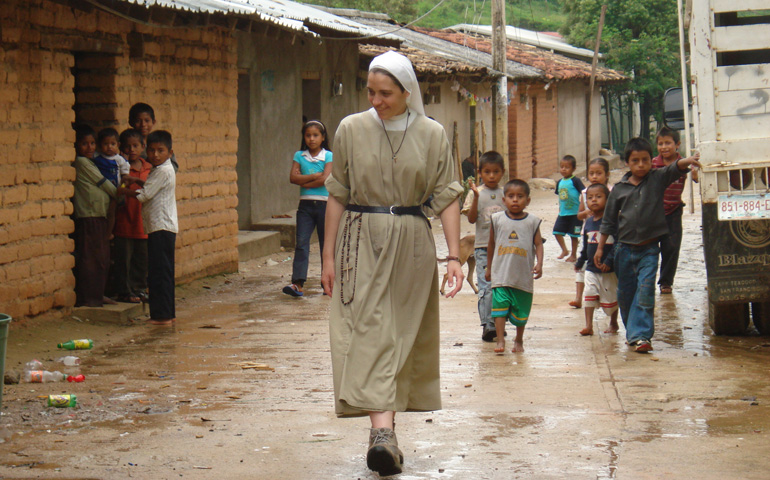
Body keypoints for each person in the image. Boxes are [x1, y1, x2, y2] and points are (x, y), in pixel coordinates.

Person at [320, 51, 464, 477]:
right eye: (371, 92)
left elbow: (447, 196)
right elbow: (337, 193)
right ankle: (381, 434)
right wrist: (326, 256)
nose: (377, 100)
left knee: (399, 333)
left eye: (386, 93)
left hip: (412, 241)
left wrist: (454, 256)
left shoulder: (432, 134)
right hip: (359, 239)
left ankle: (387, 430)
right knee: (367, 330)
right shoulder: (351, 128)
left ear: (407, 92)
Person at [595, 137, 701, 353]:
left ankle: (641, 336)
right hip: (623, 250)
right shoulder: (619, 189)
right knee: (625, 294)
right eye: (636, 161)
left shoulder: (657, 178)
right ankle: (632, 332)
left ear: (652, 161)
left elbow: (674, 168)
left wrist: (689, 160)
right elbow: (608, 221)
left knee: (645, 292)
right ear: (627, 163)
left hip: (650, 250)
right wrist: (600, 247)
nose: (641, 165)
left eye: (645, 160)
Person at [124, 130, 178, 325]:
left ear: (170, 153)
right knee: (162, 272)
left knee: (159, 273)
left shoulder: (162, 170)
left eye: (160, 151)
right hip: (162, 227)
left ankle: (162, 317)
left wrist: (121, 191)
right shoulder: (162, 169)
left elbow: (144, 196)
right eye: (152, 150)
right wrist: (137, 181)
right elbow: (151, 187)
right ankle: (166, 314)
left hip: (160, 228)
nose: (155, 154)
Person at [71, 125, 129, 307]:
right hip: (89, 214)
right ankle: (89, 297)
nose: (89, 148)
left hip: (99, 214)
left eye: (92, 143)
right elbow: (103, 183)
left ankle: (98, 293)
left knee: (102, 257)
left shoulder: (94, 162)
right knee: (91, 257)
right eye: (84, 144)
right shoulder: (82, 163)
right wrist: (120, 193)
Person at [485, 179, 544, 354]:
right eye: (511, 196)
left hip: (522, 277)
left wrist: (539, 263)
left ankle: (518, 339)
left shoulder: (533, 222)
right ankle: (501, 340)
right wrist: (489, 268)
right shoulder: (497, 220)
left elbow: (539, 244)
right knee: (499, 309)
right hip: (501, 274)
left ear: (528, 200)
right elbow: (491, 245)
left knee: (521, 313)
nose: (515, 200)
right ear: (504, 200)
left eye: (520, 196)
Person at [282, 120, 333, 297]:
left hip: (325, 205)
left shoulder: (328, 156)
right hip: (305, 206)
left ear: (323, 137)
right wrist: (315, 175)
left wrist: (305, 178)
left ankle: (327, 283)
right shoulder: (299, 155)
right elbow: (292, 178)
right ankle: (297, 283)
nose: (312, 139)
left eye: (316, 135)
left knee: (326, 244)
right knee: (301, 244)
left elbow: (325, 180)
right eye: (308, 135)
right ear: (304, 137)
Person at [461, 151, 505, 341]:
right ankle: (488, 325)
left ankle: (500, 323)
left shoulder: (505, 194)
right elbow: (471, 219)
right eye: (487, 172)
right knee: (486, 286)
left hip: (503, 249)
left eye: (496, 172)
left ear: (502, 172)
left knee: (501, 287)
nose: (492, 176)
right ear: (480, 173)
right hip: (482, 248)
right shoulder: (475, 193)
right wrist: (477, 198)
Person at [653, 126, 698, 294]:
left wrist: (695, 175)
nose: (664, 147)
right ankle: (648, 278)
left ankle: (665, 282)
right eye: (660, 143)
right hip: (655, 212)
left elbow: (697, 174)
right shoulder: (652, 164)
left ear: (677, 144)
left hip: (674, 211)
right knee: (650, 247)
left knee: (671, 248)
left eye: (668, 143)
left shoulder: (684, 163)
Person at [112, 128, 151, 304]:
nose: (132, 150)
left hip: (143, 223)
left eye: (136, 146)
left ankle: (139, 289)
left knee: (141, 260)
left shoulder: (149, 168)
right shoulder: (119, 168)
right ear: (121, 148)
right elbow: (116, 192)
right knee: (123, 260)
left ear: (143, 146)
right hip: (124, 221)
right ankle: (124, 291)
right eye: (127, 147)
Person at [575, 183, 619, 336]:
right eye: (590, 198)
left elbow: (618, 243)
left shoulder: (612, 221)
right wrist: (581, 260)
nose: (594, 200)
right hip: (591, 268)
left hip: (609, 269)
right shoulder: (589, 222)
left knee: (612, 297)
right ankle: (588, 325)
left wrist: (609, 261)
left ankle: (614, 322)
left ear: (608, 200)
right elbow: (587, 245)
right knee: (589, 293)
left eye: (598, 197)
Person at [570, 158, 611, 309]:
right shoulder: (585, 193)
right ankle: (579, 297)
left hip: (606, 234)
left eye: (598, 173)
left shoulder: (611, 192)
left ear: (606, 175)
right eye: (591, 173)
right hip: (589, 233)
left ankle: (603, 297)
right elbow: (579, 215)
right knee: (583, 265)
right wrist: (588, 212)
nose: (594, 176)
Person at [128, 102, 179, 171]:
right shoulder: (127, 143)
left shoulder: (158, 140)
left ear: (153, 122)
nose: (143, 124)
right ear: (131, 122)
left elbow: (174, 167)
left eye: (147, 120)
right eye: (138, 121)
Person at [554, 155, 585, 262]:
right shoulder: (559, 182)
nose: (563, 169)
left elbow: (584, 193)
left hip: (575, 214)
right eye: (562, 167)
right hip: (563, 213)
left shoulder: (575, 181)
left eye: (567, 167)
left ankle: (573, 254)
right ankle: (564, 250)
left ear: (573, 169)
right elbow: (560, 197)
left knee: (573, 235)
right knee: (556, 232)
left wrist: (583, 208)